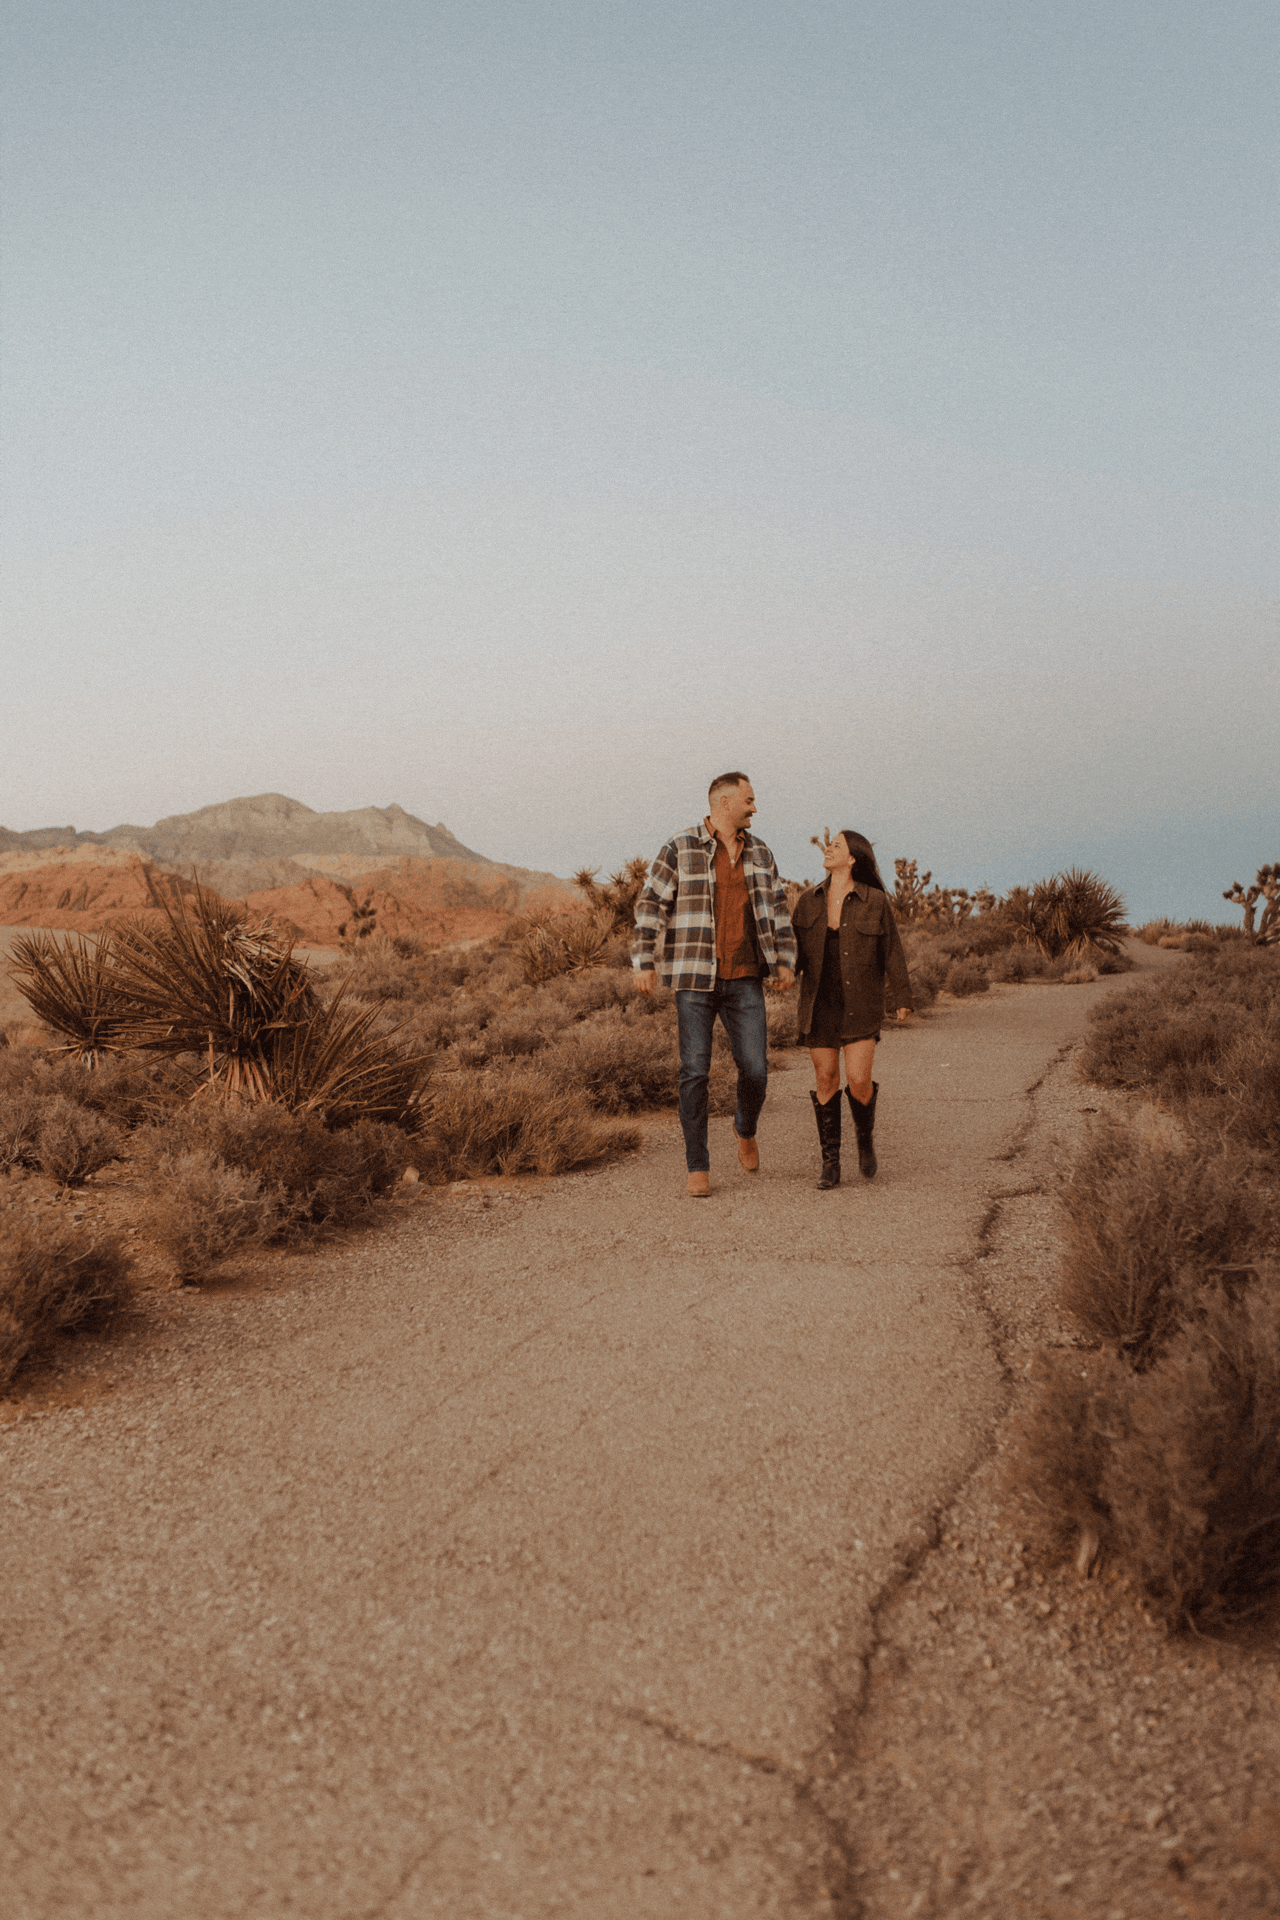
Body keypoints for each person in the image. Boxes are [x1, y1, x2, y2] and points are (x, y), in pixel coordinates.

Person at [632, 772, 796, 1197]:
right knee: (694, 1072)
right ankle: (697, 1165)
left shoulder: (760, 852)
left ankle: (745, 1127)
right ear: (724, 802)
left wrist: (785, 961)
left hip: (744, 978)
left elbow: (778, 909)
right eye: (749, 799)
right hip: (694, 978)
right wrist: (644, 960)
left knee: (756, 1069)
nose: (755, 807)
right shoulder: (680, 846)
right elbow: (651, 902)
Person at [792, 830, 913, 1190]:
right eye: (829, 845)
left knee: (859, 1080)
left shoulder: (875, 901)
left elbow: (892, 950)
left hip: (861, 1001)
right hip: (819, 1003)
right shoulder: (807, 901)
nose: (828, 848)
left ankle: (865, 1138)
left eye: (837, 845)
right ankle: (830, 1164)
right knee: (826, 1078)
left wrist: (901, 997)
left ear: (853, 859)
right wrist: (781, 971)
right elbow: (795, 953)